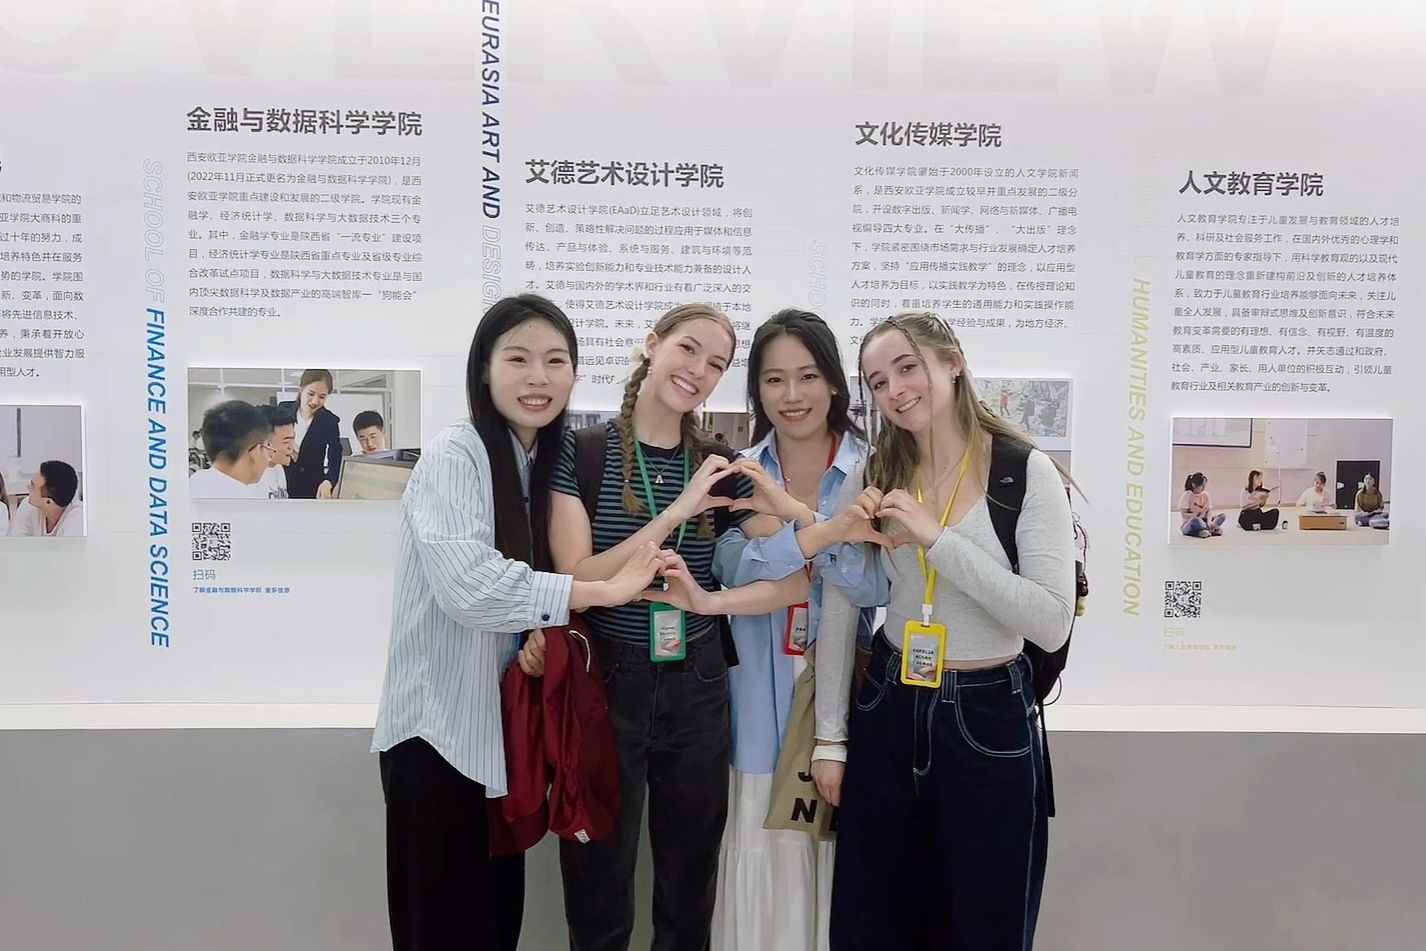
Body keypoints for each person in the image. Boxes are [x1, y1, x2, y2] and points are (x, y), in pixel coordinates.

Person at [371, 294, 668, 951]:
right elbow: (470, 586)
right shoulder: (457, 454)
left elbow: (515, 594)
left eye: (556, 361)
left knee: (493, 925)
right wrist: (595, 590)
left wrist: (535, 640)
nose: (539, 377)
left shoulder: (537, 462)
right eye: (519, 359)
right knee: (443, 930)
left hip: (495, 739)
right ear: (484, 370)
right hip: (437, 734)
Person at [549, 303, 811, 951]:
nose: (698, 370)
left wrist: (790, 507)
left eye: (716, 363)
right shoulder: (581, 450)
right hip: (606, 679)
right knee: (598, 880)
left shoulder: (718, 462)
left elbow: (799, 565)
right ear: (652, 344)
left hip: (697, 681)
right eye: (689, 349)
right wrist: (677, 512)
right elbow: (577, 576)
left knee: (689, 887)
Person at [811, 311, 1076, 951]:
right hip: (889, 703)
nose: (895, 390)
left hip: (988, 714)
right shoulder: (876, 472)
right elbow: (842, 600)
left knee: (985, 921)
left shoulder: (1023, 471)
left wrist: (937, 540)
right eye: (878, 381)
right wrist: (830, 738)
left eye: (908, 367)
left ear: (952, 363)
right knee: (874, 919)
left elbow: (1049, 620)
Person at [709, 310, 875, 951]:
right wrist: (826, 540)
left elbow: (878, 584)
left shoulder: (874, 470)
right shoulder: (735, 473)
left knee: (843, 863)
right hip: (756, 697)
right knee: (761, 844)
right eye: (774, 379)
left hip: (847, 701)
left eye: (807, 376)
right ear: (757, 390)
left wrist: (788, 532)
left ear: (833, 381)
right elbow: (732, 571)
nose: (792, 394)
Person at [189, 402, 273, 499]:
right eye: (267, 447)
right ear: (256, 452)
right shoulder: (248, 502)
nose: (268, 457)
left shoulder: (193, 483)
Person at [282, 369, 343, 499]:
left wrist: (329, 480)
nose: (315, 401)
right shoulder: (283, 410)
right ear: (301, 388)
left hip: (312, 488)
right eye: (311, 394)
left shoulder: (329, 421)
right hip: (281, 483)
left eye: (322, 397)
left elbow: (336, 457)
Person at [8, 460, 84, 537]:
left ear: (48, 502)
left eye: (32, 486)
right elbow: (16, 542)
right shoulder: (27, 506)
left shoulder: (78, 518)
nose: (28, 487)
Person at [254, 404, 297, 499]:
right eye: (286, 441)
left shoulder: (278, 468)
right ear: (265, 443)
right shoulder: (252, 479)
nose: (292, 447)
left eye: (293, 439)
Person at [1178, 473, 1226, 538]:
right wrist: (1197, 514)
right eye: (1202, 485)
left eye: (1204, 485)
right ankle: (1211, 529)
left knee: (1222, 516)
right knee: (1196, 520)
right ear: (1194, 485)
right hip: (1191, 523)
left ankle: (1208, 528)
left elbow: (1209, 511)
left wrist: (1209, 522)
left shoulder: (1205, 494)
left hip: (1204, 521)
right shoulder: (1187, 495)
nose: (1203, 488)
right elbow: (1184, 514)